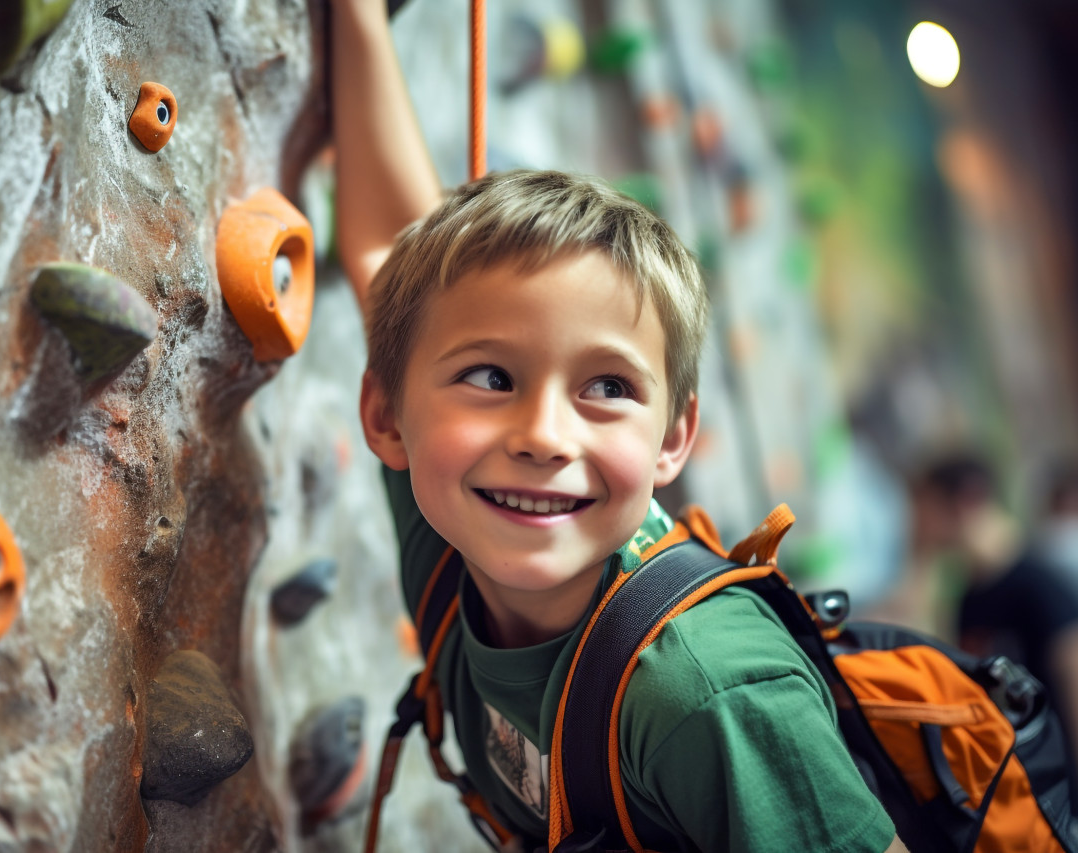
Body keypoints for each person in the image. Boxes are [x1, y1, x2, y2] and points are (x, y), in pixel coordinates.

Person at [330, 2, 905, 849]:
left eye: (605, 386)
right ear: (389, 417)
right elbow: (390, 256)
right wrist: (356, 18)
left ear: (675, 437)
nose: (543, 436)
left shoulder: (708, 693)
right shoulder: (456, 529)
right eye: (491, 376)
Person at [909, 453, 1078, 800]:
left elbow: (1072, 673)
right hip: (1023, 788)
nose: (916, 522)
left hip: (1065, 788)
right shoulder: (969, 596)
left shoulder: (1038, 584)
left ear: (962, 502)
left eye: (923, 507)